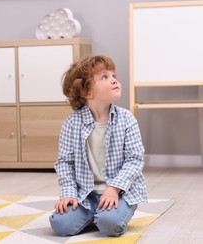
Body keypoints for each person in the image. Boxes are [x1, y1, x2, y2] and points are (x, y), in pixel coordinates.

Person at [49, 55, 147, 237]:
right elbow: (65, 163)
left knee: (110, 224)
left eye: (113, 75)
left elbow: (135, 160)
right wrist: (68, 194)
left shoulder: (126, 119)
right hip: (85, 194)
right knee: (60, 225)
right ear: (86, 91)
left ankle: (105, 216)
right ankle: (95, 215)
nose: (114, 80)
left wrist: (114, 188)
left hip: (119, 192)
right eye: (105, 77)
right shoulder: (71, 124)